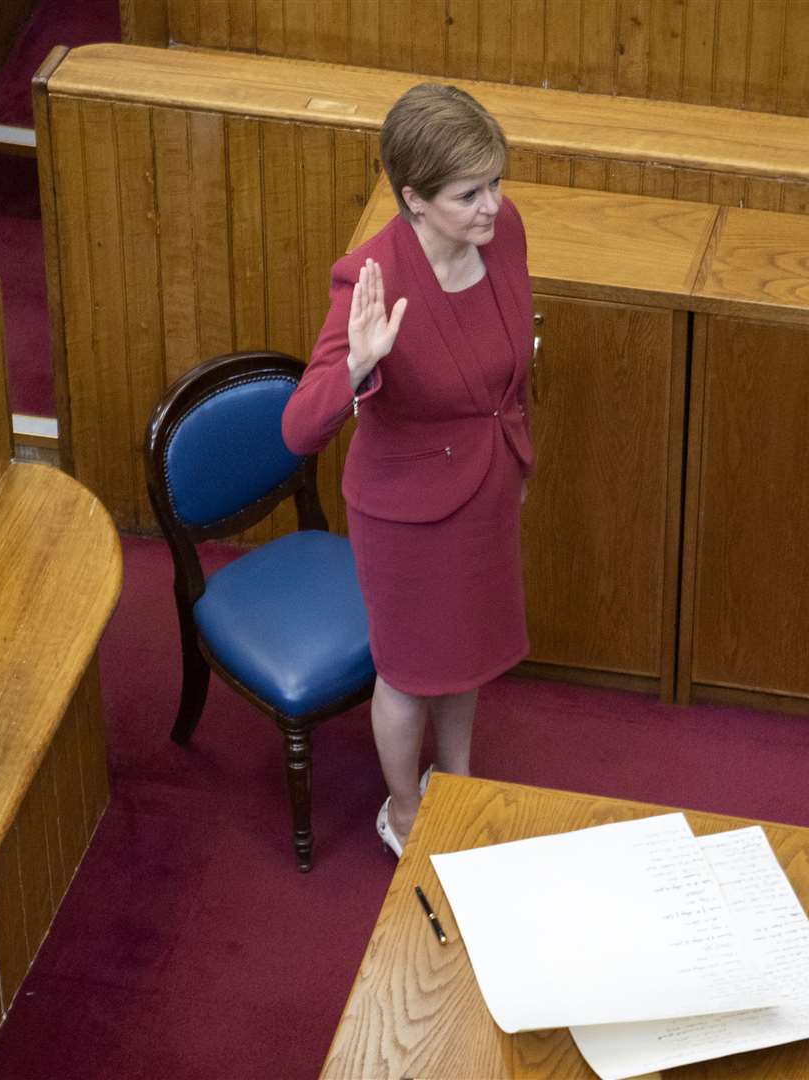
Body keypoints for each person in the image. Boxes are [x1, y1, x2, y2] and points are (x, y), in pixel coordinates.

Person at [281, 83, 534, 856]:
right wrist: (357, 368)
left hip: (489, 484)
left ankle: (453, 781)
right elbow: (298, 428)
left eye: (495, 183)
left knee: (468, 654)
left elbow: (507, 365)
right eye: (469, 194)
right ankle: (406, 813)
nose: (492, 206)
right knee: (413, 671)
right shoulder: (370, 276)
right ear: (414, 199)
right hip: (408, 514)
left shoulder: (505, 231)